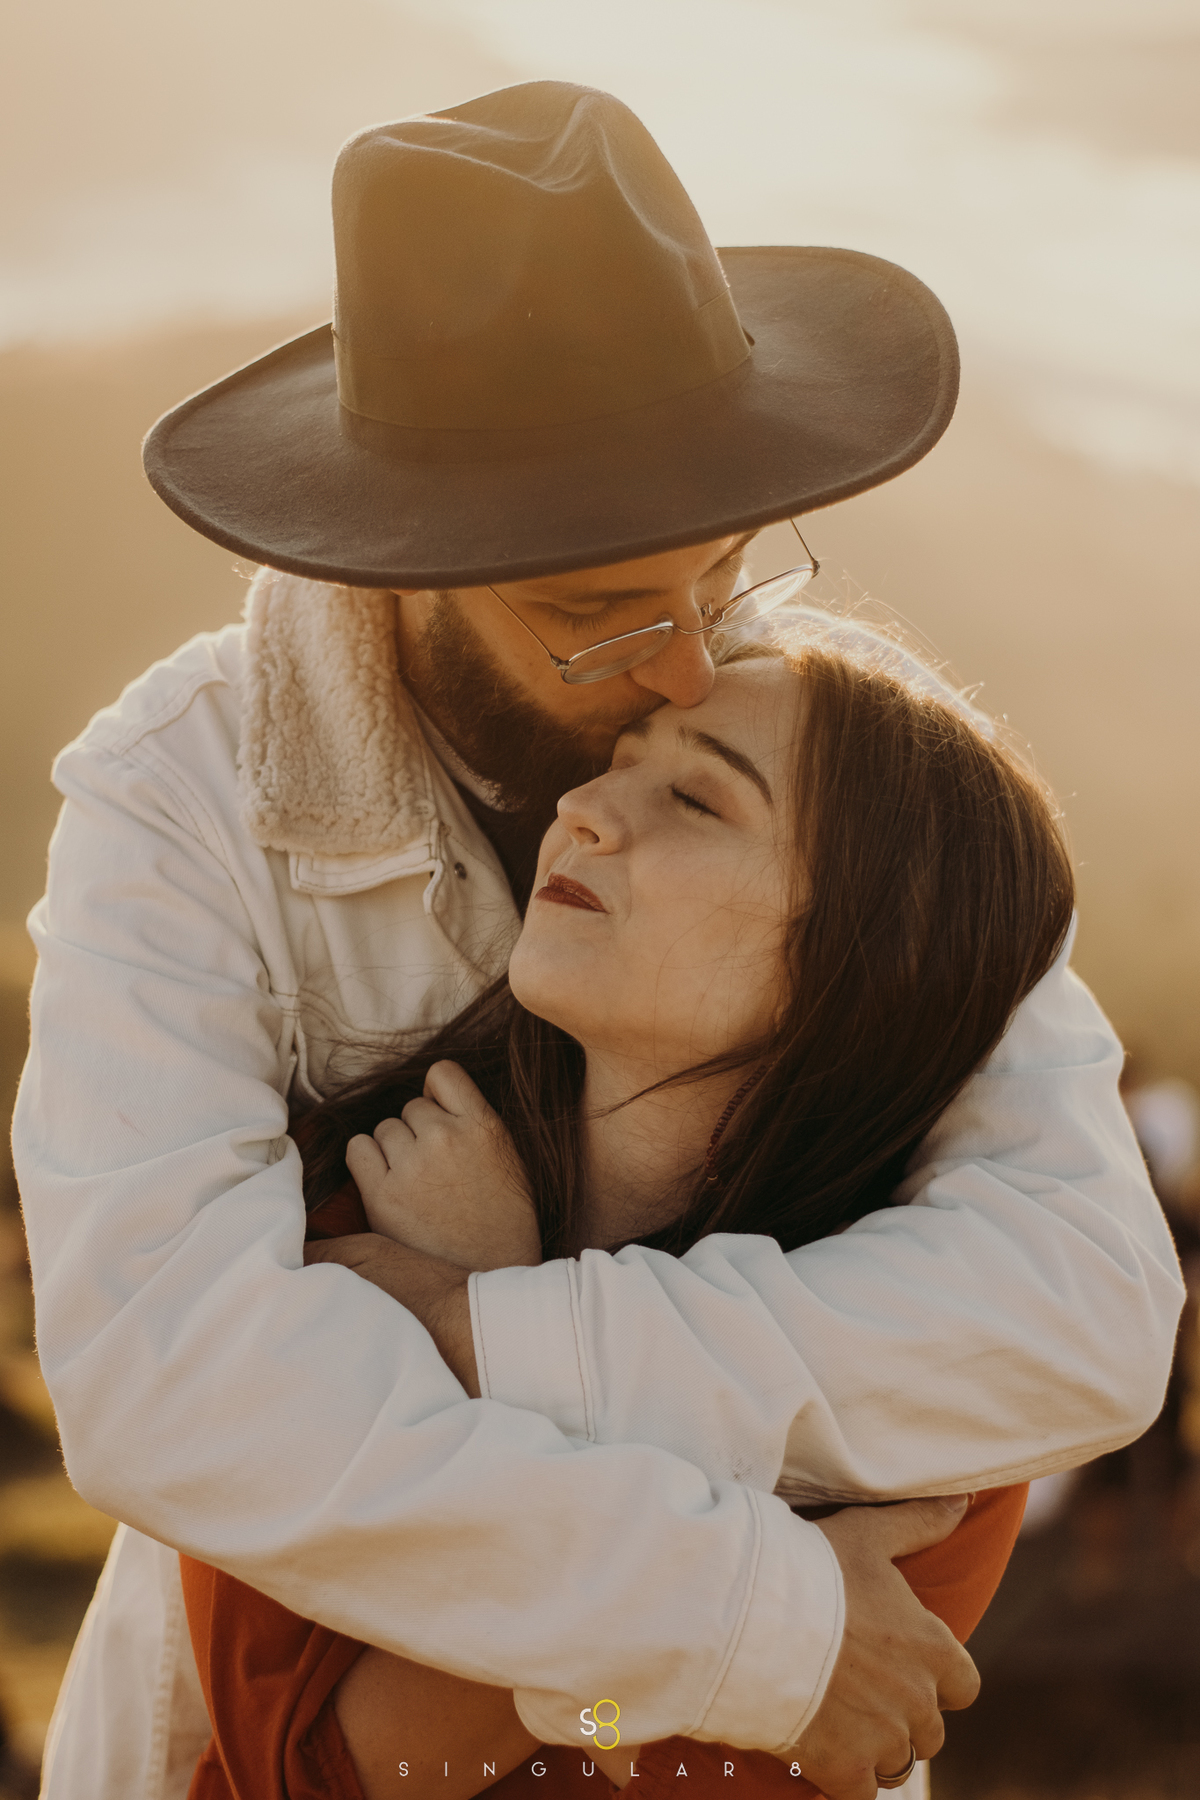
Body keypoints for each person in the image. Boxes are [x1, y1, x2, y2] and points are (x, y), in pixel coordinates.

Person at [13, 80, 1181, 1800]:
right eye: (595, 618)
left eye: (717, 576)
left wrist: (491, 1326)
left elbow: (1077, 1310)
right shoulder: (177, 803)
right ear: (405, 559)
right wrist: (758, 1622)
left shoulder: (866, 770)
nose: (688, 665)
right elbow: (173, 1384)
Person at [179, 627, 1073, 1800]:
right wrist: (729, 1629)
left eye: (699, 800)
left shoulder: (927, 1382)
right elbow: (346, 1764)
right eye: (620, 758)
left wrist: (497, 1321)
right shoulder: (355, 1207)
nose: (587, 805)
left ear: (860, 957)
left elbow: (659, 1765)